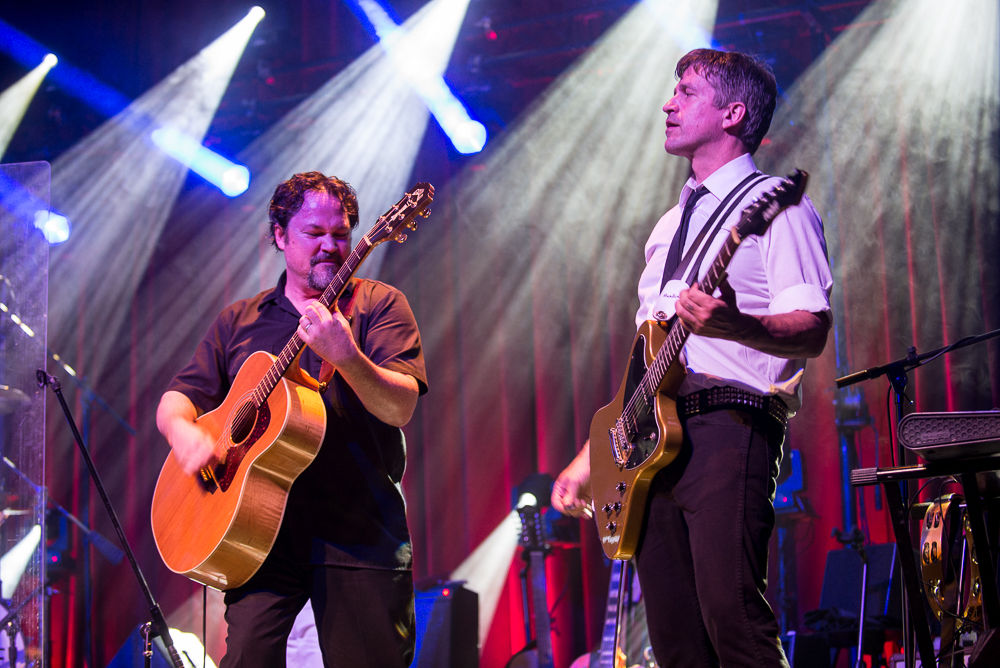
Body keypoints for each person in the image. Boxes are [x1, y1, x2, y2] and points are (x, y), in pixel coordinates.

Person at [552, 49, 833, 667]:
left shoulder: (776, 204)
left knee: (730, 616)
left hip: (730, 424)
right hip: (654, 441)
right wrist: (591, 457)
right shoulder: (668, 224)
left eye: (686, 91)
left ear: (733, 113)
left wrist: (732, 321)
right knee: (675, 640)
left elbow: (811, 327)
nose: (667, 103)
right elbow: (645, 355)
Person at [156, 172, 427, 667]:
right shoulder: (242, 319)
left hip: (358, 534)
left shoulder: (379, 306)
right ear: (280, 236)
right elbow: (177, 399)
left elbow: (401, 406)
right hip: (257, 536)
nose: (330, 246)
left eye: (340, 233)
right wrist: (185, 435)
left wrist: (347, 356)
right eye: (314, 233)